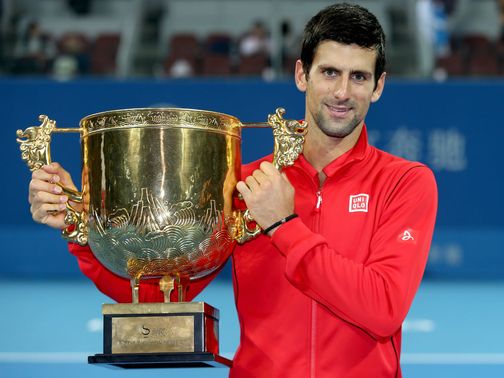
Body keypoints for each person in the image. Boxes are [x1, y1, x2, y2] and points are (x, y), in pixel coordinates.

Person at [28, 3, 437, 377]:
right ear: (301, 75)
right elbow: (160, 292)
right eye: (329, 72)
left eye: (359, 77)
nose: (343, 92)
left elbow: (383, 308)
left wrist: (283, 224)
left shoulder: (405, 182)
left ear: (378, 86)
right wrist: (81, 228)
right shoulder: (245, 183)